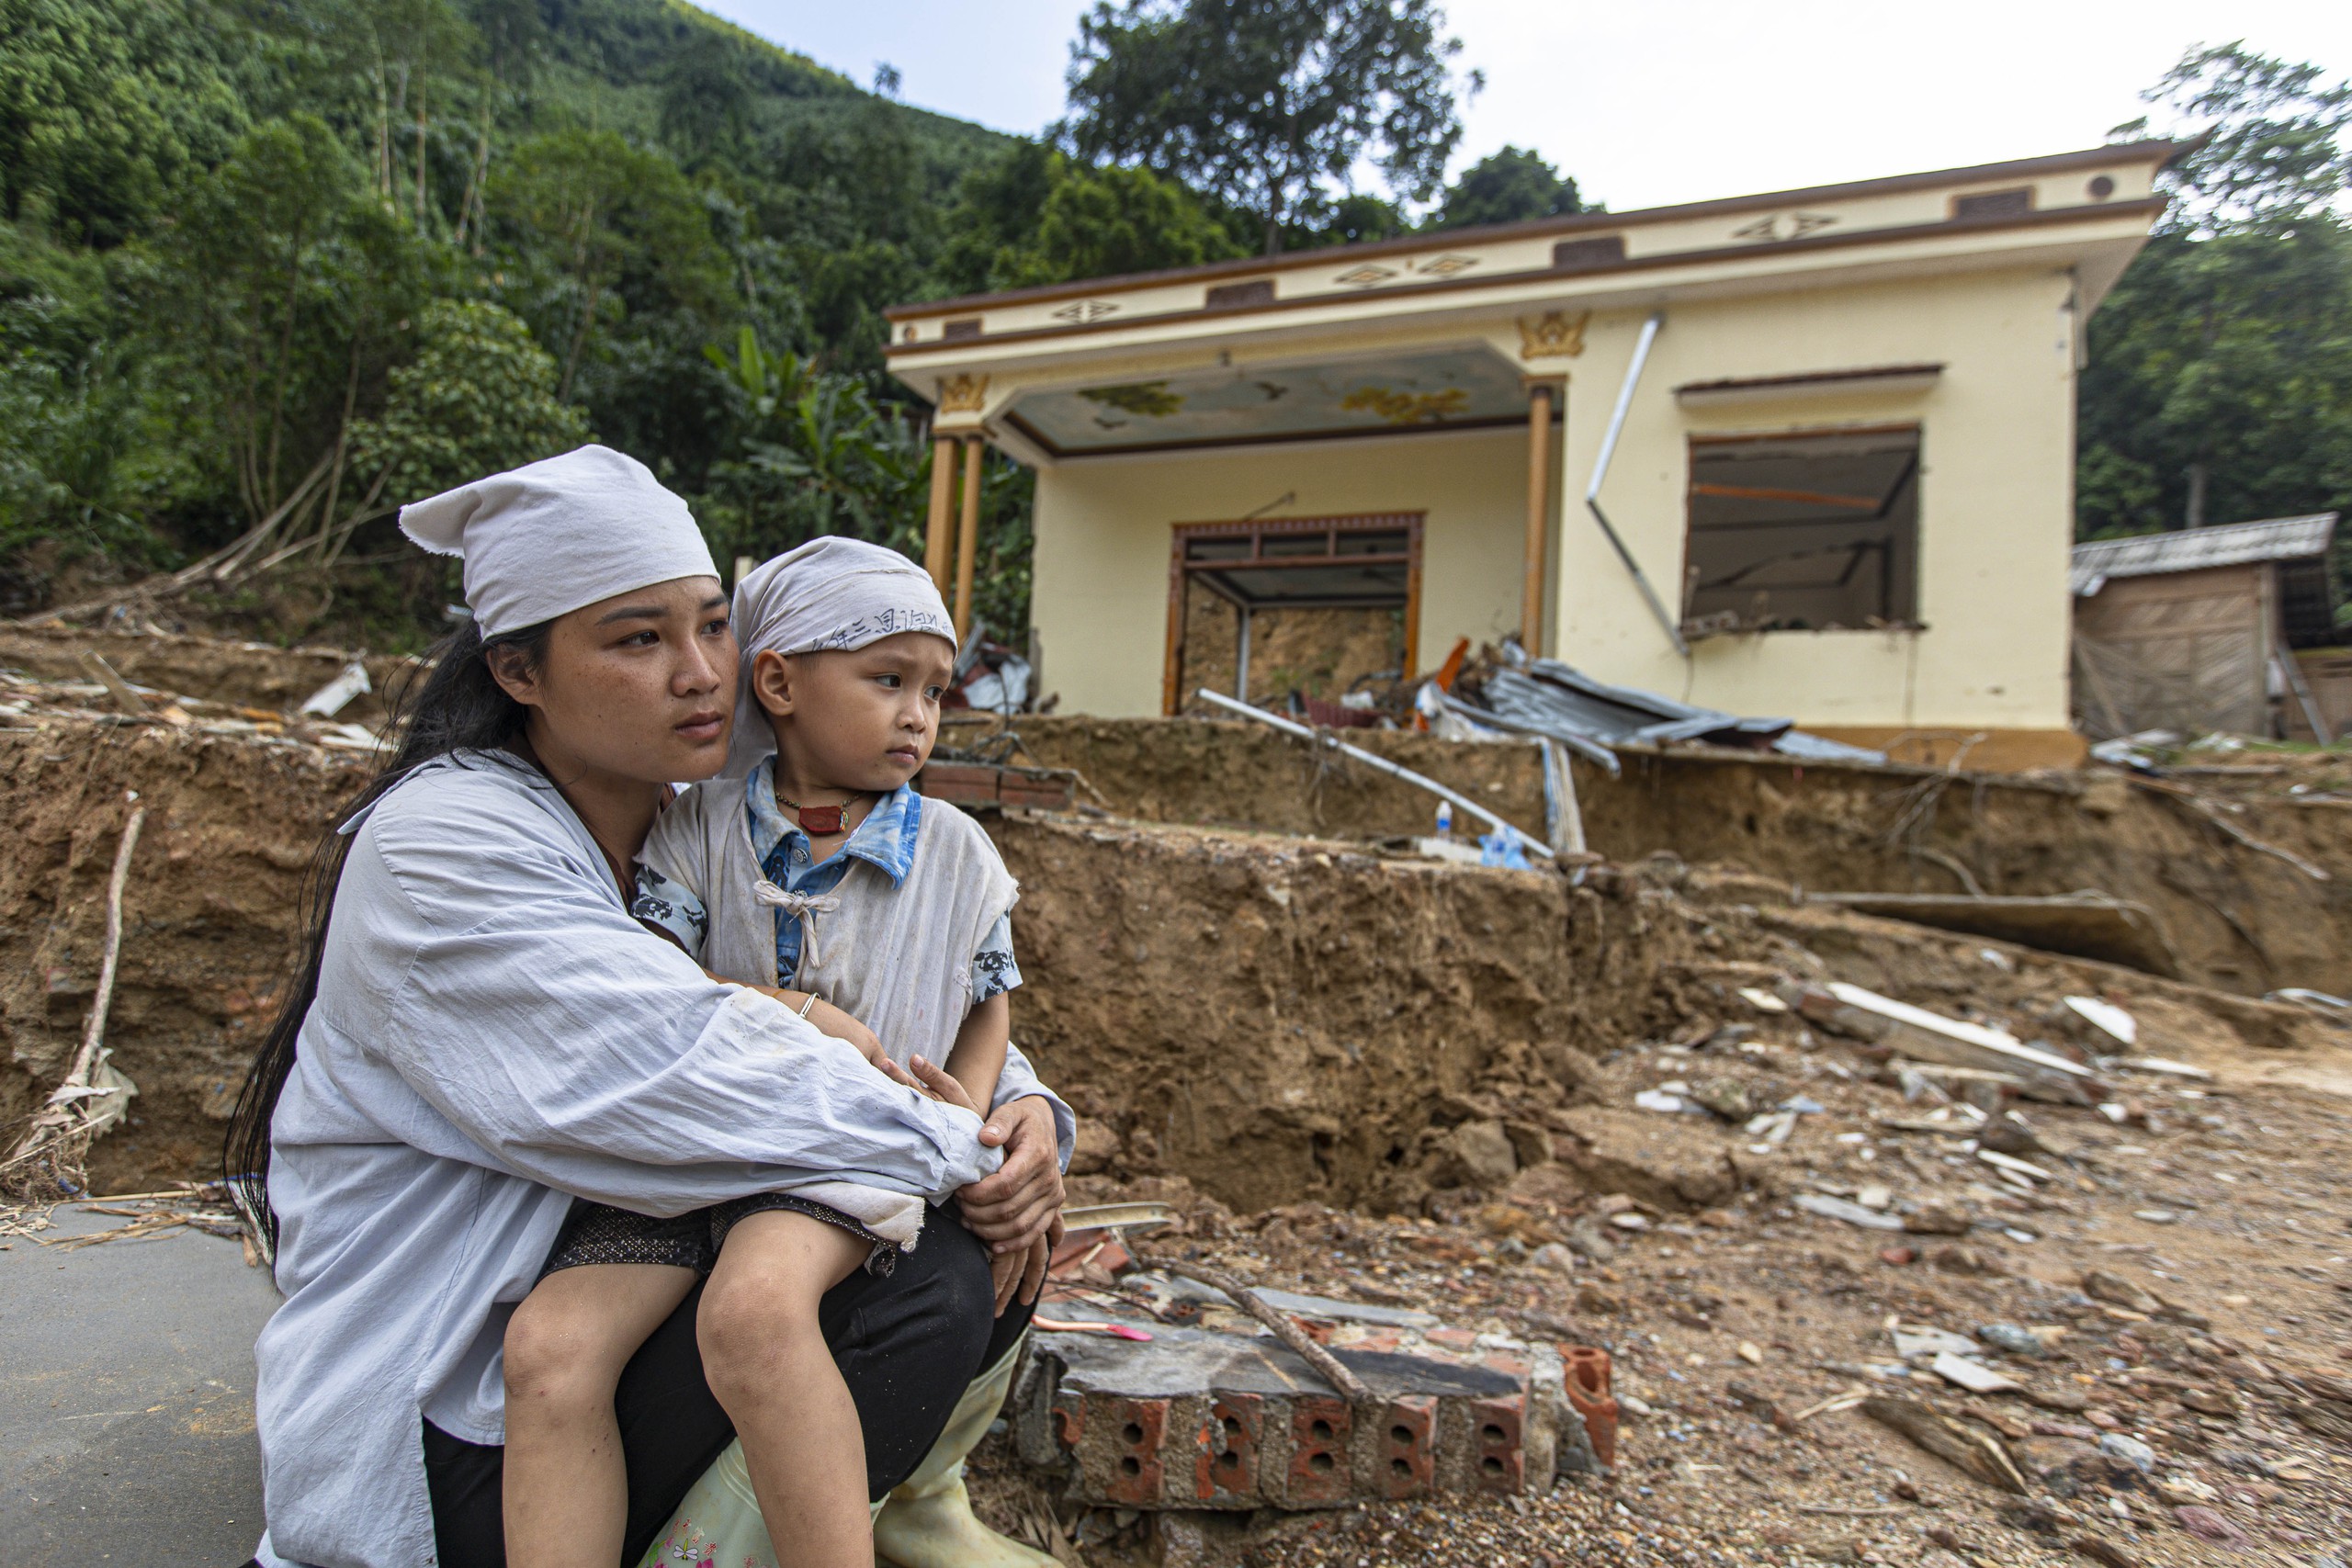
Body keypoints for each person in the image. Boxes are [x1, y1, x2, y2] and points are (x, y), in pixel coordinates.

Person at [220, 446, 1071, 1568]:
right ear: (519, 673)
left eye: (713, 624)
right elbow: (686, 1067)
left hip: (608, 1301)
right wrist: (957, 1143)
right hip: (444, 1429)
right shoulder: (448, 849)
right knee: (927, 1271)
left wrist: (1027, 1120)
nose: (700, 673)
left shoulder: (707, 818)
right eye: (638, 639)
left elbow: (898, 976)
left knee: (953, 1235)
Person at [499, 536, 1030, 1568]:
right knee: (548, 1351)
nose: (918, 715)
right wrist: (788, 1010)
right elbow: (649, 979)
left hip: (837, 1153)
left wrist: (958, 1133)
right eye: (887, 681)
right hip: (686, 1155)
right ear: (779, 683)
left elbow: (986, 1002)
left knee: (752, 1314)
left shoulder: (958, 852)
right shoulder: (696, 830)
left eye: (934, 690)